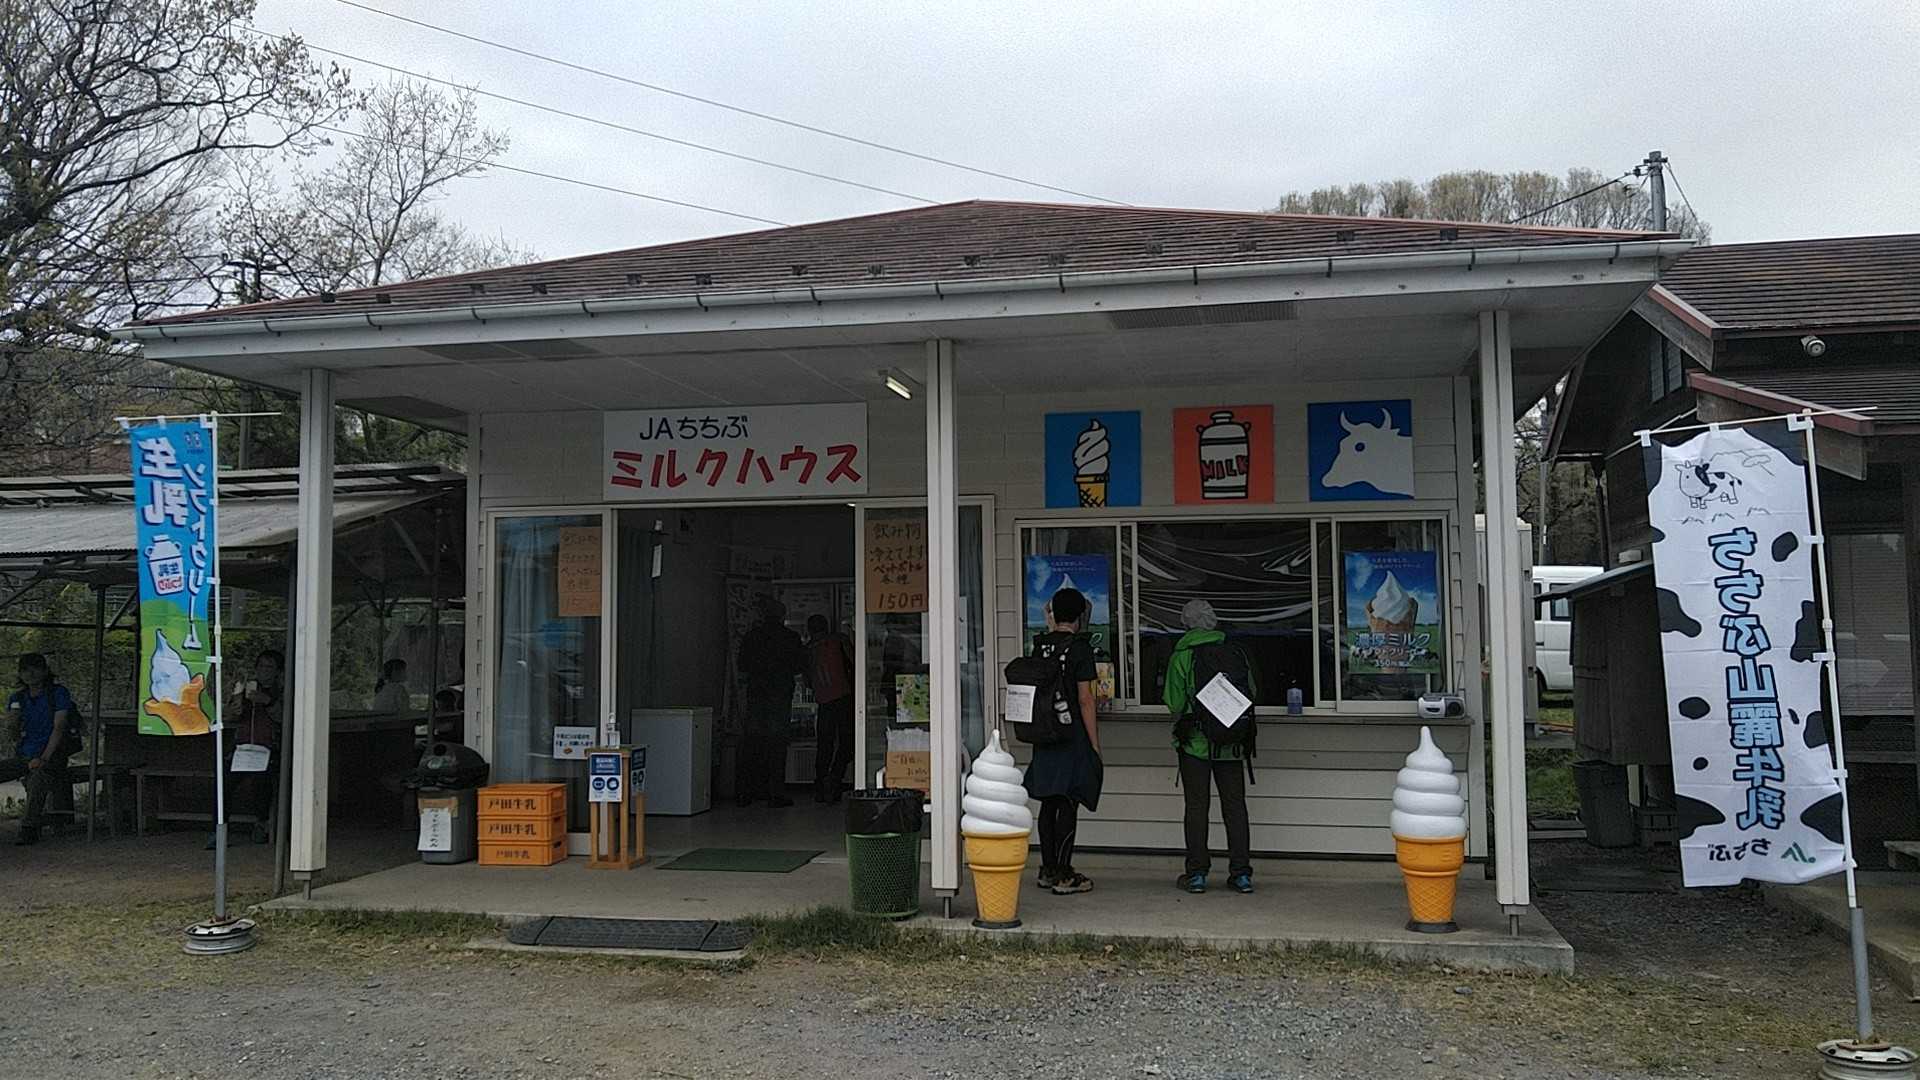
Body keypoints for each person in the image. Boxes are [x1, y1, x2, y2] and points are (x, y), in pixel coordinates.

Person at [1164, 599, 1254, 894]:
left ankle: (1197, 874)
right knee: (1235, 807)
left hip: (1195, 745)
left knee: (1196, 807)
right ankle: (1241, 874)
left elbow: (1174, 703)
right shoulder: (1235, 653)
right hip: (1231, 744)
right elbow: (1252, 693)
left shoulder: (1182, 657)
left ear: (1186, 624)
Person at [1022, 587, 1102, 895]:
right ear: (1081, 616)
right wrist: (1094, 744)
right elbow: (1085, 700)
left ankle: (1047, 868)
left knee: (1048, 801)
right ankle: (1064, 874)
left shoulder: (1039, 645)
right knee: (1068, 801)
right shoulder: (1080, 649)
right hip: (1071, 734)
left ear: (1054, 614)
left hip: (1044, 733)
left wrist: (1051, 619)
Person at [735, 596, 805, 808]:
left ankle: (746, 792)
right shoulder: (790, 637)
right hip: (780, 695)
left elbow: (742, 664)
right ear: (782, 616)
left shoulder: (752, 636)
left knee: (752, 743)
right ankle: (775, 793)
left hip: (757, 694)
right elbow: (799, 666)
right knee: (777, 744)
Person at [2, 653, 75, 846]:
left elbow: (59, 727)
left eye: (35, 669)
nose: (30, 674)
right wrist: (12, 724)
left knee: (37, 778)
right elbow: (14, 735)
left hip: (52, 754)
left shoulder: (57, 693)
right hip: (25, 755)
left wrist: (44, 758)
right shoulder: (18, 698)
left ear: (44, 671)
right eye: (25, 670)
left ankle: (29, 827)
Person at [214, 649, 284, 846]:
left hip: (269, 747)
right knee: (223, 781)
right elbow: (228, 716)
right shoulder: (245, 689)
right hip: (242, 748)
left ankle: (261, 823)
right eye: (261, 666)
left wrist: (267, 701)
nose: (264, 670)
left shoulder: (283, 691)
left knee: (261, 781)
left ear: (278, 671)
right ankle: (220, 828)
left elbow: (284, 717)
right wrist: (235, 707)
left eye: (269, 667)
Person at [805, 614, 855, 803]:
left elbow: (807, 681)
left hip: (824, 701)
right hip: (845, 697)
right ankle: (835, 779)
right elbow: (855, 663)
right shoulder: (840, 640)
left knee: (824, 744)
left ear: (810, 630)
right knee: (847, 742)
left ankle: (821, 784)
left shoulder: (808, 649)